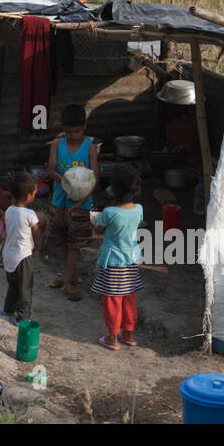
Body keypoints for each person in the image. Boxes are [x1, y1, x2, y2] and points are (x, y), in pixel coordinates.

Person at [45, 104, 99, 301]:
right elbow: (50, 170)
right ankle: (71, 274)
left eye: (77, 131)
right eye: (69, 132)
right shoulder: (57, 145)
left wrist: (84, 196)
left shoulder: (90, 148)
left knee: (76, 243)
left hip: (80, 204)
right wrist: (66, 180)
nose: (73, 136)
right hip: (60, 201)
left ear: (84, 127)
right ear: (63, 128)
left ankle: (68, 281)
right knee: (64, 240)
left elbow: (95, 176)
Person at [91, 165, 144, 350]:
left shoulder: (109, 213)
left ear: (114, 190)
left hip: (113, 263)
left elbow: (97, 229)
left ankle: (112, 337)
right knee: (129, 298)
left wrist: (96, 222)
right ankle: (128, 334)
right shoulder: (139, 209)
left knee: (112, 299)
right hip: (131, 261)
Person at [1, 172, 44, 326]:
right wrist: (38, 248)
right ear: (27, 196)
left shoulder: (8, 211)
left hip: (9, 254)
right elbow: (37, 233)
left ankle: (7, 309)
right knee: (25, 288)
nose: (35, 195)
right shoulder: (30, 214)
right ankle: (22, 317)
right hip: (23, 256)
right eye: (34, 193)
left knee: (13, 285)